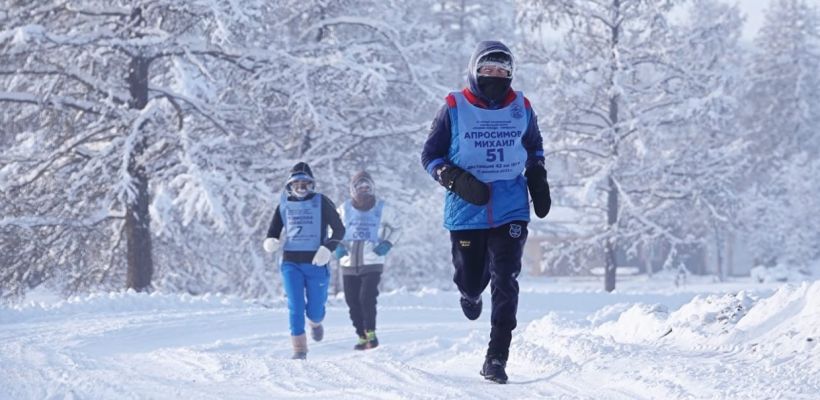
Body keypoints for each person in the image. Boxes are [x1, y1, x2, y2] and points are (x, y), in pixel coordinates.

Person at [420, 40, 551, 384]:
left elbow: (534, 146)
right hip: (467, 209)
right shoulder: (454, 106)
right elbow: (430, 156)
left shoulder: (521, 106)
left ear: (510, 74)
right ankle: (469, 292)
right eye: (487, 70)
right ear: (474, 71)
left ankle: (496, 357)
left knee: (505, 279)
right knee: (471, 276)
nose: (495, 76)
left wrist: (537, 174)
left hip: (510, 207)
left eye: (502, 71)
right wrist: (453, 178)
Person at [263, 161, 345, 360]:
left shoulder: (321, 202)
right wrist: (271, 241)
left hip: (316, 262)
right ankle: (299, 350)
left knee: (315, 310)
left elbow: (339, 230)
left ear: (312, 185)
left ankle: (316, 323)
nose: (301, 188)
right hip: (291, 263)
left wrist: (327, 248)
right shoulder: (283, 204)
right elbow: (273, 231)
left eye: (305, 184)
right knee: (295, 305)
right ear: (289, 186)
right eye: (296, 184)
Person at [334, 171, 396, 350]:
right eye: (360, 187)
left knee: (366, 297)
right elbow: (333, 229)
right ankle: (361, 336)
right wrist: (336, 245)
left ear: (372, 188)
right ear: (353, 189)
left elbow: (398, 228)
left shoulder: (382, 209)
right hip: (348, 262)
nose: (364, 190)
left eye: (367, 187)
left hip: (373, 261)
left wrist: (388, 243)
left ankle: (371, 333)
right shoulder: (344, 209)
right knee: (352, 300)